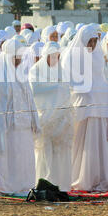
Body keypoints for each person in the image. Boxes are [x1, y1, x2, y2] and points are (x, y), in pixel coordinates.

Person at [0, 38, 40, 196]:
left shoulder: (20, 74)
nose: (18, 61)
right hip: (4, 128)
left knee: (22, 157)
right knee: (4, 159)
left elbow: (29, 99)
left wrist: (34, 120)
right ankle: (2, 188)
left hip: (22, 127)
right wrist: (0, 124)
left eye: (20, 57)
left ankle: (23, 187)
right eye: (15, 57)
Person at [61, 25, 108, 191]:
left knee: (97, 144)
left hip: (97, 107)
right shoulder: (71, 56)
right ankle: (79, 178)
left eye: (94, 41)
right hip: (81, 108)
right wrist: (86, 91)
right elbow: (68, 83)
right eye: (89, 41)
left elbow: (101, 79)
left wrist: (100, 91)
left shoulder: (97, 55)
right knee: (81, 145)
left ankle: (97, 178)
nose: (91, 44)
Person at [29, 41, 74, 192]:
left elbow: (67, 90)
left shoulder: (62, 71)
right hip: (45, 118)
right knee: (44, 153)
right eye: (52, 56)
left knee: (60, 152)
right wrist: (55, 87)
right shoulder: (35, 70)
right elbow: (34, 90)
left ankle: (60, 184)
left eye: (57, 56)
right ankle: (44, 183)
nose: (55, 59)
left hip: (60, 119)